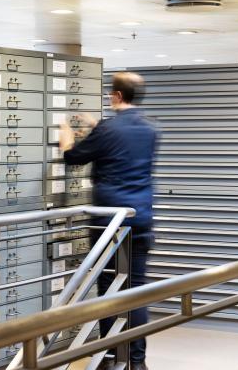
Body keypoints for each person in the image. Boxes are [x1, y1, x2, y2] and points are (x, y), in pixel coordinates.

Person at [59, 72, 158, 370]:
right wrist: (97, 128)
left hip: (109, 224)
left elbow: (74, 157)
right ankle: (137, 362)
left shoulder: (108, 129)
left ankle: (111, 356)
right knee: (135, 289)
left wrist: (66, 135)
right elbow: (122, 151)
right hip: (140, 219)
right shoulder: (150, 130)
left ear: (115, 96)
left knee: (108, 287)